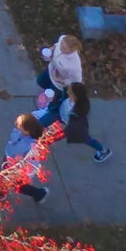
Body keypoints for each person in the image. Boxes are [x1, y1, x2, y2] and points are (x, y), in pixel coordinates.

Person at [37, 31, 112, 162]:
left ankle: (102, 150)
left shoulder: (74, 68)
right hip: (62, 113)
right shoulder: (61, 41)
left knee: (79, 136)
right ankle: (39, 134)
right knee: (46, 123)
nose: (61, 47)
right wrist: (52, 50)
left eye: (64, 48)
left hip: (65, 117)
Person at [1, 104, 65, 204]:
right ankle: (1, 192)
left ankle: (39, 194)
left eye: (18, 124)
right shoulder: (21, 130)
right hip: (9, 159)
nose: (15, 124)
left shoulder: (31, 147)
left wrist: (20, 173)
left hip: (18, 168)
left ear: (27, 131)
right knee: (3, 178)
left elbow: (31, 163)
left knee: (19, 186)